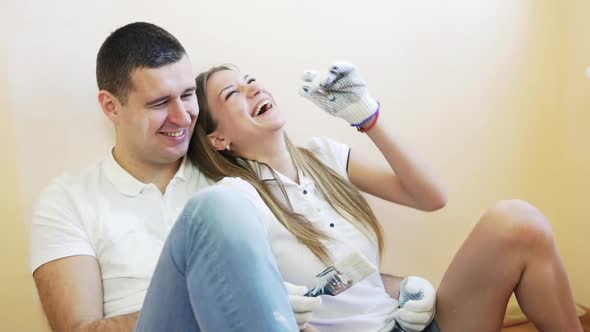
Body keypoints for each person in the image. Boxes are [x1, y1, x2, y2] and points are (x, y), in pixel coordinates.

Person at [185, 62, 584, 332]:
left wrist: (368, 118)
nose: (252, 86)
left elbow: (431, 197)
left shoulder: (323, 156)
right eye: (231, 93)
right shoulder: (236, 201)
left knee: (517, 222)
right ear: (219, 139)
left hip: (405, 324)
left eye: (250, 78)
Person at [30, 22, 303, 332]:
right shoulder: (67, 200)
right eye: (159, 103)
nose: (183, 117)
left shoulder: (231, 175)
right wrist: (219, 301)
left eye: (188, 95)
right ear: (111, 106)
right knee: (218, 206)